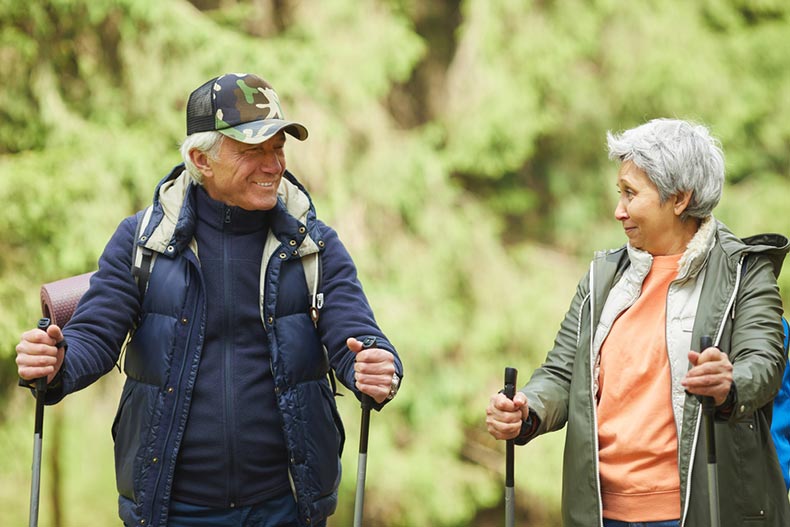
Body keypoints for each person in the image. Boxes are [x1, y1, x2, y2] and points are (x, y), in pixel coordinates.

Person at [16, 73, 403, 527]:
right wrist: (56, 361)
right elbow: (94, 337)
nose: (273, 165)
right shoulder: (142, 241)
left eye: (278, 148)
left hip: (285, 508)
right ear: (201, 159)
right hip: (172, 511)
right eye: (252, 151)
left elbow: (358, 336)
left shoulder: (313, 244)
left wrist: (378, 365)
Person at [485, 118, 790, 527]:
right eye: (619, 193)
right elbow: (561, 373)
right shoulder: (602, 277)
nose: (618, 211)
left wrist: (729, 383)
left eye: (631, 194)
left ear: (680, 198)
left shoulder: (745, 273)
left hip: (695, 512)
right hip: (600, 513)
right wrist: (527, 410)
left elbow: (765, 362)